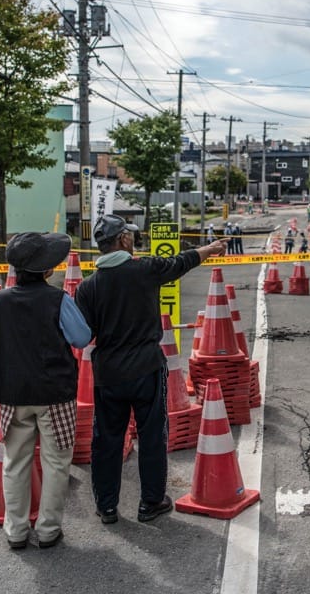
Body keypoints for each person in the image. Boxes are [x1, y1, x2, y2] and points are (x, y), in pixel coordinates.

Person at [74, 214, 227, 525]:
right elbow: (181, 262)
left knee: (107, 440)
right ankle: (151, 502)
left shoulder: (88, 287)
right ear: (123, 240)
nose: (132, 238)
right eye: (128, 235)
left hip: (108, 375)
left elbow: (84, 334)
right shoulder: (144, 270)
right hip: (146, 368)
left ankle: (106, 506)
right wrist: (210, 249)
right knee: (152, 435)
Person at [0, 232, 92, 550]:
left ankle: (16, 530)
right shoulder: (58, 300)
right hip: (54, 392)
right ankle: (48, 529)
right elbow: (82, 338)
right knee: (56, 461)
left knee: (15, 461)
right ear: (47, 270)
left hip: (13, 392)